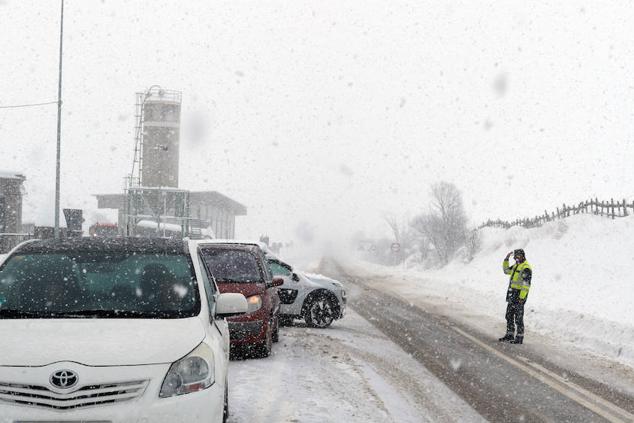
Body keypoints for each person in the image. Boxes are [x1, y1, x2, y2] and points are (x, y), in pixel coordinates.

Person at [498, 249, 532, 344]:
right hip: (512, 294)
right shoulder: (516, 265)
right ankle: (509, 335)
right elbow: (506, 271)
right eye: (515, 257)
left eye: (518, 256)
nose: (516, 258)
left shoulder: (526, 268)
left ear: (523, 256)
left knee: (518, 318)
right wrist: (506, 259)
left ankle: (519, 337)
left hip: (519, 296)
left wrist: (521, 298)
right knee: (509, 315)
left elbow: (526, 285)